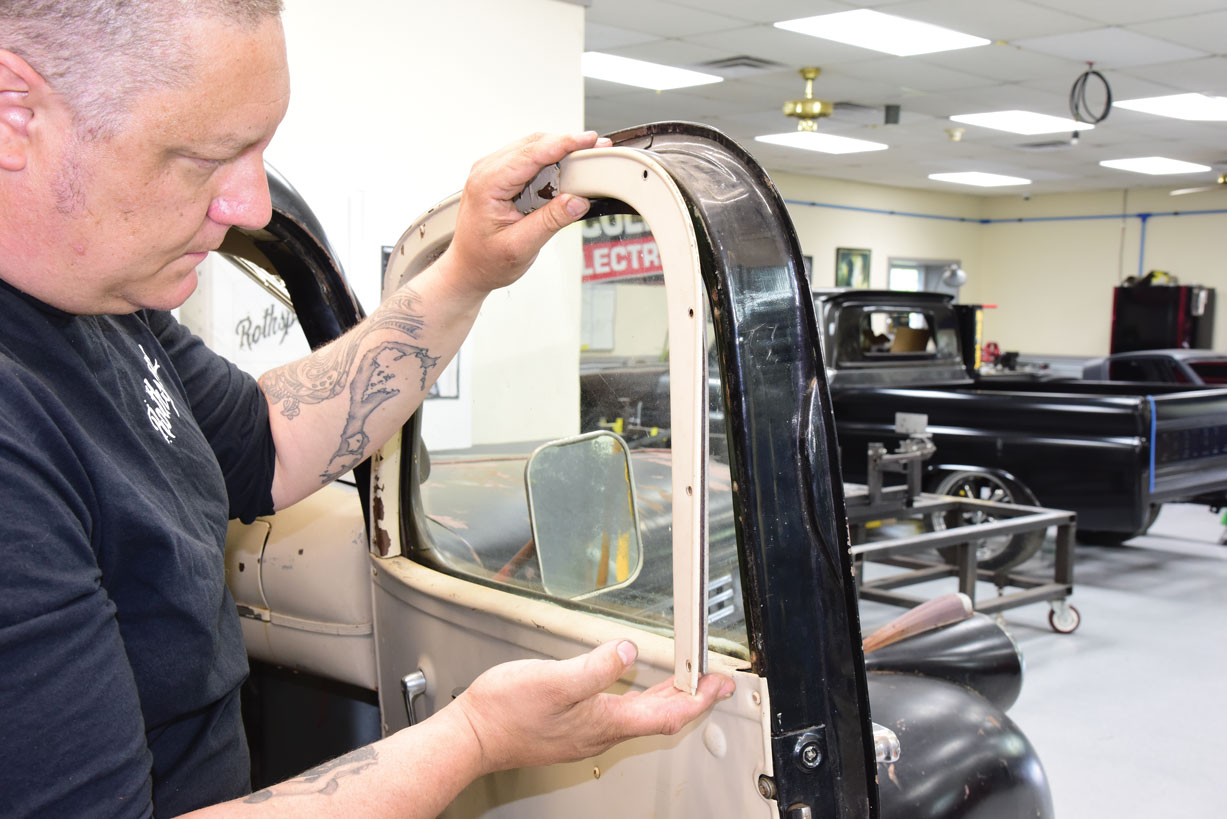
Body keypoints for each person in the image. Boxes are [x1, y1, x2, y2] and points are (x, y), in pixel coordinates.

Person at [0, 2, 734, 817]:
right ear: (12, 112)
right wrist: (475, 739)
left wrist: (464, 272)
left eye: (257, 151)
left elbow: (267, 441)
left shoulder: (96, 298)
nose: (248, 205)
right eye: (204, 157)